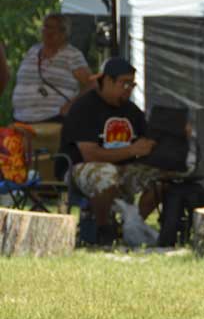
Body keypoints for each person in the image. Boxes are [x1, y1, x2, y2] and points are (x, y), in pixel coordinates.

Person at [59, 57, 161, 246]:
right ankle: (103, 230)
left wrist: (172, 133)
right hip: (78, 168)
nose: (129, 89)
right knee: (107, 174)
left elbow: (147, 142)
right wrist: (132, 150)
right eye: (125, 83)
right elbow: (90, 154)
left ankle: (132, 226)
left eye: (132, 84)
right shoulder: (84, 108)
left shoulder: (132, 111)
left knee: (162, 180)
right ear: (107, 81)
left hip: (121, 169)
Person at [12, 13, 92, 123]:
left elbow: (92, 85)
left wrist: (70, 106)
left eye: (53, 28)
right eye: (46, 26)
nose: (48, 31)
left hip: (53, 120)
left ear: (65, 32)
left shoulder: (72, 55)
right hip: (21, 119)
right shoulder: (33, 50)